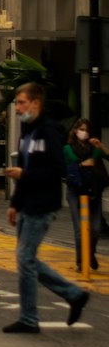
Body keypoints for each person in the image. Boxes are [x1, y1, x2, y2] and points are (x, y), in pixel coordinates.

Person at [3, 83, 89, 333]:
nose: (17, 108)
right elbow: (25, 170)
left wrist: (25, 174)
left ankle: (29, 318)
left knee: (24, 258)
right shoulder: (27, 132)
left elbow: (56, 170)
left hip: (43, 204)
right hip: (27, 203)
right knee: (26, 260)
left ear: (35, 103)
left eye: (21, 102)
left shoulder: (49, 132)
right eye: (16, 103)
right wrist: (14, 203)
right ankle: (74, 294)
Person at [63, 117, 108, 273]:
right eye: (81, 129)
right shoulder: (68, 149)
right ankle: (81, 261)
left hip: (93, 190)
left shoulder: (94, 148)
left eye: (87, 130)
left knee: (95, 228)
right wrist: (81, 164)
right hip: (75, 191)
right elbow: (64, 170)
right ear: (75, 131)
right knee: (80, 229)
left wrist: (101, 146)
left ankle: (90, 254)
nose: (84, 132)